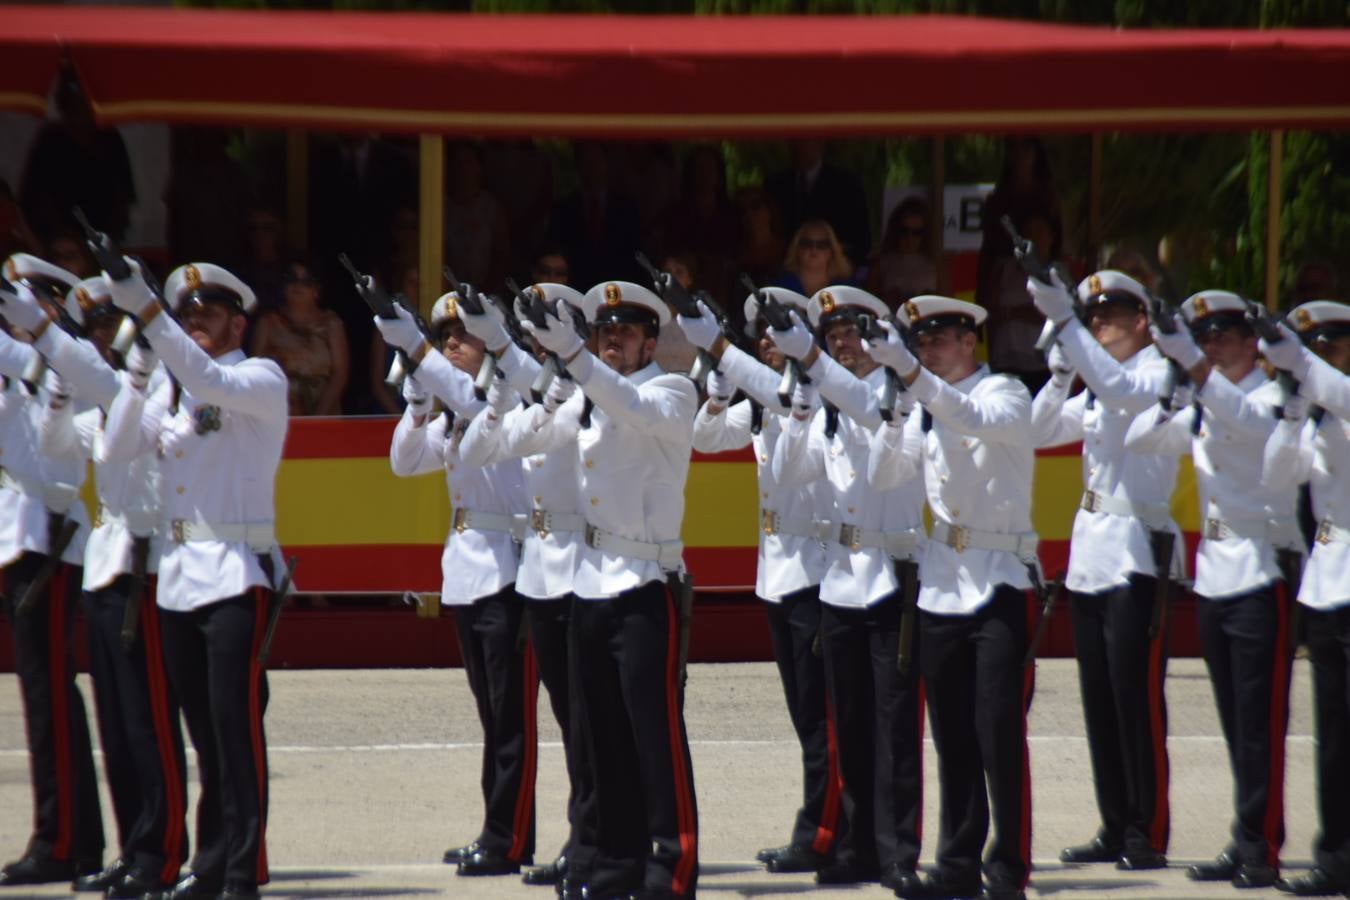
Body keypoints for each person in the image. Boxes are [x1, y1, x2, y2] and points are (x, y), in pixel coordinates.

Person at [99, 260, 288, 900]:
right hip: (179, 578)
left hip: (237, 573)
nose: (195, 320)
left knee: (236, 731)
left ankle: (241, 872)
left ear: (239, 322)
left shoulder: (257, 377)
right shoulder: (173, 390)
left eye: (208, 312)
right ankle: (210, 864)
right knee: (205, 735)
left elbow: (206, 375)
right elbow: (116, 448)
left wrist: (150, 316)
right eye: (187, 313)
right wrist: (141, 367)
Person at [510, 280, 700, 899]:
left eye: (624, 331)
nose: (612, 340)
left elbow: (631, 407)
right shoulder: (588, 396)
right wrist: (523, 371)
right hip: (589, 584)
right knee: (605, 736)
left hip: (646, 585)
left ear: (650, 341)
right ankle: (615, 861)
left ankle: (671, 864)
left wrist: (577, 357)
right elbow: (519, 441)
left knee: (656, 735)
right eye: (602, 332)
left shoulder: (672, 390)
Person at [6, 274, 189, 898]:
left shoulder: (156, 383)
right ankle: (137, 843)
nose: (105, 336)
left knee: (148, 719)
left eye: (112, 323)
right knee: (118, 721)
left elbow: (121, 406)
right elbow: (56, 437)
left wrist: (54, 342)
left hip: (147, 561)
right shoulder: (98, 389)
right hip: (110, 561)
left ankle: (161, 850)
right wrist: (62, 366)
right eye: (95, 327)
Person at [1124, 291, 1301, 888]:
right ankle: (1243, 834)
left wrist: (1198, 375)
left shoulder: (1271, 397)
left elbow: (1248, 424)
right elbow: (1143, 441)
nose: (1214, 348)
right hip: (1214, 573)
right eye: (1205, 339)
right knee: (1232, 719)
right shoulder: (1207, 398)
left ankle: (1262, 846)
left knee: (1260, 724)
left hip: (1260, 571)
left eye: (1224, 336)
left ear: (1254, 343)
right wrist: (1177, 385)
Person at [866, 295, 1039, 900]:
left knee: (998, 731)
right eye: (921, 343)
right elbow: (886, 477)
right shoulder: (926, 405)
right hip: (942, 585)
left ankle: (1010, 865)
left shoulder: (1006, 394)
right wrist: (894, 414)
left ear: (971, 341)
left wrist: (914, 380)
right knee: (953, 735)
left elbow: (973, 419)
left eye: (939, 340)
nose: (928, 351)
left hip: (998, 580)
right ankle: (959, 860)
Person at [764, 286, 926, 893]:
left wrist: (813, 365)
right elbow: (786, 472)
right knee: (851, 724)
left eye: (851, 333)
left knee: (895, 726)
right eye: (830, 336)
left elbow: (869, 415)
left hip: (889, 576)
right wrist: (799, 406)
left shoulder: (896, 392)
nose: (842, 343)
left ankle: (898, 852)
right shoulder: (830, 403)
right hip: (838, 581)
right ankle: (858, 845)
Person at [676, 287, 841, 875]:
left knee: (824, 718)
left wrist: (723, 354)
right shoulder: (767, 399)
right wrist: (719, 390)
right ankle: (823, 823)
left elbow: (785, 409)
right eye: (761, 334)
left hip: (818, 572)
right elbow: (704, 438)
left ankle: (825, 831)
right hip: (779, 571)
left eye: (778, 331)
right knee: (806, 714)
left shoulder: (819, 392)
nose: (767, 341)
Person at [373, 291, 537, 878]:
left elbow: (473, 403)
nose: (450, 343)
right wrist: (417, 401)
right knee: (491, 713)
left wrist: (418, 356)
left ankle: (510, 836)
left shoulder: (508, 393)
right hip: (468, 570)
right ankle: (500, 827)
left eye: (461, 335)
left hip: (507, 571)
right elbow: (403, 459)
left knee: (510, 713)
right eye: (443, 336)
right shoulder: (452, 408)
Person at [1028, 269, 1179, 872]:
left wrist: (1068, 328)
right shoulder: (1096, 383)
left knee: (1135, 698)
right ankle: (1114, 822)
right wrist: (1062, 367)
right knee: (1098, 698)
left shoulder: (1154, 372)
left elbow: (1119, 390)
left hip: (1137, 554)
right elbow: (1039, 428)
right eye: (1090, 316)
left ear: (1142, 320)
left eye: (1109, 314)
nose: (1098, 324)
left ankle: (1148, 828)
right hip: (1092, 551)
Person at [457, 283, 594, 894]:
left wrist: (499, 343)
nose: (538, 343)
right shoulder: (545, 393)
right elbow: (487, 443)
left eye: (548, 330)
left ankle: (593, 839)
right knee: (572, 720)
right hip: (539, 573)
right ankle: (586, 838)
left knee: (590, 723)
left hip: (583, 571)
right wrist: (499, 355)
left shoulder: (593, 389)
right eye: (532, 332)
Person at [0, 255, 104, 889]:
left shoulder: (61, 365)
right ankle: (69, 834)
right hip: (18, 537)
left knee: (50, 693)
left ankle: (63, 840)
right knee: (39, 691)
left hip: (49, 538)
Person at [1260, 300, 1350, 897]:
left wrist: (1301, 365)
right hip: (1325, 579)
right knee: (1333, 734)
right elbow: (1276, 474)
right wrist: (1292, 409)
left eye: (1328, 348)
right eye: (1309, 349)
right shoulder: (1317, 409)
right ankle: (1335, 856)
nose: (1315, 361)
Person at [250, 259, 349, 416]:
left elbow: (340, 374)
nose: (298, 285)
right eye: (291, 279)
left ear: (317, 290)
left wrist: (319, 416)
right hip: (278, 409)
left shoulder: (331, 324)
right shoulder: (268, 322)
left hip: (324, 408)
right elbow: (255, 371)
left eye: (306, 281)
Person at [765, 140, 871, 269]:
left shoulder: (846, 184)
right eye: (796, 139)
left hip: (832, 271)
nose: (800, 147)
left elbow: (860, 238)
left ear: (822, 144)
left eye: (807, 139)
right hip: (783, 268)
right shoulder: (775, 184)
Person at [866, 197, 937, 311]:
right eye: (904, 231)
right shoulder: (881, 263)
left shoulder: (936, 264)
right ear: (896, 230)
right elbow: (869, 303)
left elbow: (947, 304)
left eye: (916, 233)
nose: (910, 238)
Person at [776, 220, 855, 300]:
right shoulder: (780, 287)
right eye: (807, 243)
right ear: (796, 249)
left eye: (821, 245)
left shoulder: (847, 289)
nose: (814, 249)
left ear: (832, 251)